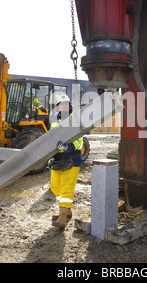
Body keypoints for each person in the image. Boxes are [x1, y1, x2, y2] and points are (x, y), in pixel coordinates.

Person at [49, 94, 84, 228]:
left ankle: (62, 217)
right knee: (55, 186)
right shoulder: (54, 122)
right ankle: (66, 210)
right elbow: (51, 140)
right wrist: (51, 156)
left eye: (66, 104)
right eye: (61, 104)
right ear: (57, 107)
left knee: (67, 188)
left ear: (70, 106)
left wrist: (67, 147)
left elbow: (80, 142)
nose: (63, 106)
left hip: (72, 159)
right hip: (58, 159)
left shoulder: (74, 120)